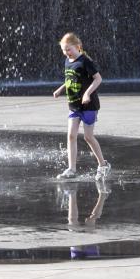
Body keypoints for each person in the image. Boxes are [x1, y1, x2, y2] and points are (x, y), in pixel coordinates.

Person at [52, 33, 111, 179]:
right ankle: (71, 169)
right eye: (64, 50)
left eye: (69, 49)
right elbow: (71, 79)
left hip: (89, 106)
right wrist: (61, 89)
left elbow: (98, 79)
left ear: (77, 46)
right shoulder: (67, 61)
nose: (66, 53)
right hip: (74, 105)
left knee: (88, 137)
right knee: (71, 135)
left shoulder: (85, 61)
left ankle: (103, 165)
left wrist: (88, 93)